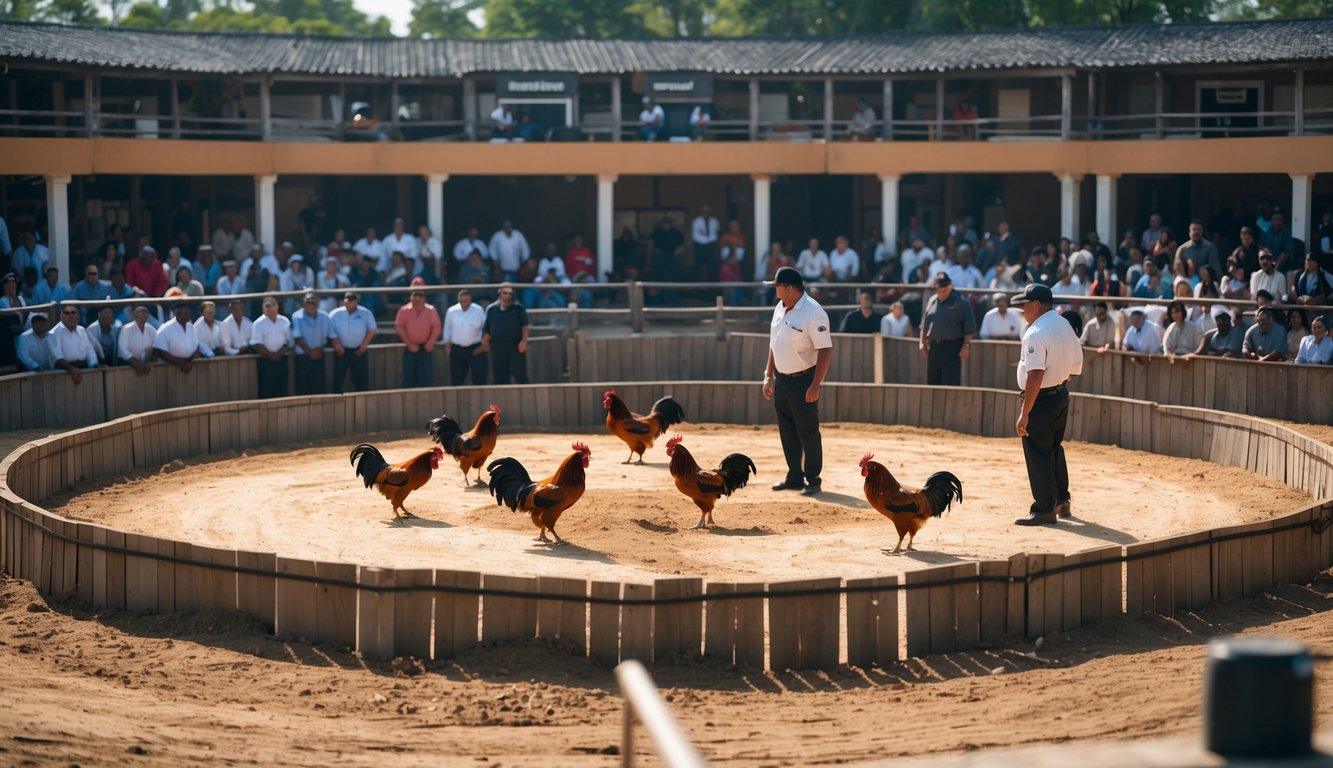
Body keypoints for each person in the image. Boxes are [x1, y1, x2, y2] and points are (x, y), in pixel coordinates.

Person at [1012, 283, 1084, 526]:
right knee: (1054, 448)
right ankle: (1061, 500)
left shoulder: (1036, 332)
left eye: (1025, 304)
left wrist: (1025, 412)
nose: (1023, 309)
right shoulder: (1065, 325)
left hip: (1041, 399)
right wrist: (1058, 382)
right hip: (1061, 394)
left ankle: (1044, 508)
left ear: (1037, 305)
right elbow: (1076, 367)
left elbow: (1035, 375)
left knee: (1038, 453)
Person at [761, 266, 832, 497]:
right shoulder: (779, 308)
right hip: (781, 379)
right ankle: (794, 476)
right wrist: (768, 375)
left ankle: (813, 479)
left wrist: (815, 384)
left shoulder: (814, 312)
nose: (775, 291)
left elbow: (825, 349)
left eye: (778, 287)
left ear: (789, 289)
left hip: (804, 380)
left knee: (808, 431)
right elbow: (774, 344)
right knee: (787, 430)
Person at [919, 272, 976, 386]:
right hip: (934, 348)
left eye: (944, 287)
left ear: (950, 286)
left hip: (952, 348)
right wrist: (922, 342)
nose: (941, 290)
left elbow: (970, 328)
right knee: (932, 383)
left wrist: (966, 345)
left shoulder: (962, 303)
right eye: (939, 287)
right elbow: (924, 325)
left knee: (951, 384)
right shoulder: (932, 301)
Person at [395, 278, 442, 388]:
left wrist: (430, 343)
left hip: (426, 349)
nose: (417, 298)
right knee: (408, 380)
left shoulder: (431, 310)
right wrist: (409, 344)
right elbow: (399, 327)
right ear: (411, 296)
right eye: (415, 295)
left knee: (426, 380)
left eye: (420, 295)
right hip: (410, 348)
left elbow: (437, 327)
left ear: (424, 296)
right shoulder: (403, 310)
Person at [291, 291, 338, 395]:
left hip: (319, 356)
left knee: (319, 389)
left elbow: (330, 337)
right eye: (308, 301)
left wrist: (319, 350)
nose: (311, 304)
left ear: (318, 303)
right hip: (302, 357)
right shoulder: (296, 316)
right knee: (302, 389)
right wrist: (310, 352)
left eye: (314, 301)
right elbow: (297, 338)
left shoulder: (325, 317)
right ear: (303, 303)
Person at [329, 291, 376, 393]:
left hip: (359, 351)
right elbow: (330, 331)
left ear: (356, 301)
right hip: (341, 351)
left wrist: (364, 346)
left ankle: (362, 405)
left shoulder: (366, 313)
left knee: (361, 382)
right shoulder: (335, 314)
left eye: (352, 300)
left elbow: (372, 329)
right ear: (344, 301)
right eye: (348, 300)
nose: (350, 302)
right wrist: (336, 345)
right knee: (337, 381)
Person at [483, 282, 529, 385]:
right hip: (497, 346)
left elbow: (525, 326)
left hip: (515, 345)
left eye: (510, 293)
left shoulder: (519, 308)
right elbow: (487, 328)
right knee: (499, 375)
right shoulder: (491, 309)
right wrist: (485, 341)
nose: (507, 295)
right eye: (505, 293)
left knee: (520, 374)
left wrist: (524, 341)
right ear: (500, 293)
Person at [443, 288, 488, 386]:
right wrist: (447, 342)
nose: (465, 303)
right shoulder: (451, 311)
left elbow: (485, 329)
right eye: (463, 301)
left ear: (470, 299)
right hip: (457, 350)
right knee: (456, 380)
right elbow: (447, 328)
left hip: (476, 348)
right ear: (458, 299)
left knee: (480, 380)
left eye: (467, 301)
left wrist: (484, 345)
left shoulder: (478, 310)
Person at [250, 296, 292, 398]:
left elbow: (289, 341)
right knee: (266, 391)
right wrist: (271, 356)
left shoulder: (285, 321)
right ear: (263, 308)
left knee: (282, 390)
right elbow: (256, 343)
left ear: (278, 306)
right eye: (268, 305)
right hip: (265, 362)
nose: (271, 307)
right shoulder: (258, 323)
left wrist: (278, 354)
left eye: (273, 304)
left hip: (281, 360)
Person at [49, 304, 100, 384]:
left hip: (83, 369)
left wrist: (95, 366)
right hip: (63, 373)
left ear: (78, 315)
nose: (70, 316)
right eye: (67, 313)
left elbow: (89, 351)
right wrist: (72, 369)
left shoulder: (82, 330)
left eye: (73, 313)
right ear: (61, 316)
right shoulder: (54, 333)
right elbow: (57, 357)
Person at [154, 303, 211, 374]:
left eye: (188, 312)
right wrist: (181, 363)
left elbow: (196, 345)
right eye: (185, 313)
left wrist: (193, 358)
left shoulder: (191, 327)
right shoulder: (165, 328)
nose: (188, 315)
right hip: (170, 369)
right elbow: (161, 352)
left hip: (190, 366)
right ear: (177, 314)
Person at [117, 305, 157, 375]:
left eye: (145, 312)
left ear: (148, 316)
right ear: (134, 316)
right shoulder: (126, 329)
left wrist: (150, 362)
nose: (142, 314)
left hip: (147, 366)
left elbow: (157, 347)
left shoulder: (152, 329)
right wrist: (135, 363)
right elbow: (123, 351)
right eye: (139, 312)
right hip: (128, 365)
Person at [692, 206, 720, 283]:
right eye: (704, 211)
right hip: (699, 246)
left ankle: (712, 287)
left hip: (711, 246)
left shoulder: (714, 221)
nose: (706, 213)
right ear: (701, 212)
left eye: (707, 211)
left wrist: (708, 239)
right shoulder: (697, 221)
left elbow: (715, 233)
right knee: (697, 265)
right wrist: (706, 240)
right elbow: (696, 235)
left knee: (712, 266)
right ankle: (695, 285)